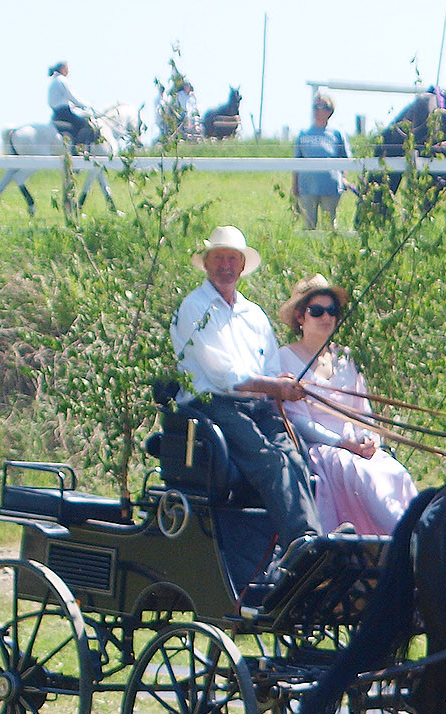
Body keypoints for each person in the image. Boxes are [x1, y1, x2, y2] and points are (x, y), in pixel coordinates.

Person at [170, 226, 324, 570]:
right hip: (210, 406)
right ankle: (301, 547)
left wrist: (280, 385)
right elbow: (222, 376)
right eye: (218, 259)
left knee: (296, 457)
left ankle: (312, 540)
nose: (225, 266)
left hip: (256, 404)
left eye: (231, 260)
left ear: (241, 267)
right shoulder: (194, 307)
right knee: (270, 462)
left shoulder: (253, 315)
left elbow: (268, 365)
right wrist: (274, 386)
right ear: (207, 265)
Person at [275, 275, 420, 536]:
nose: (326, 317)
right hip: (322, 448)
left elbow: (362, 409)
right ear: (300, 317)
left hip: (356, 445)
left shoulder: (344, 357)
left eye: (332, 311)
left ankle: (417, 533)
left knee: (394, 472)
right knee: (361, 474)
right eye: (317, 311)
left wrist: (370, 439)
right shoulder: (286, 358)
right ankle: (402, 538)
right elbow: (298, 420)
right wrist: (342, 443)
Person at [293, 95, 351, 231]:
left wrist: (344, 178)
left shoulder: (337, 134)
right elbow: (296, 161)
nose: (317, 111)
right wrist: (294, 185)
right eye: (315, 107)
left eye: (321, 107)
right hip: (307, 186)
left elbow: (345, 159)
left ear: (329, 111)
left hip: (330, 186)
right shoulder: (304, 134)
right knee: (308, 225)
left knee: (329, 225)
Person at [47, 61, 99, 146]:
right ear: (62, 69)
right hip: (64, 112)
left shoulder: (54, 81)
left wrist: (76, 105)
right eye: (67, 68)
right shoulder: (62, 80)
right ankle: (78, 148)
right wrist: (86, 105)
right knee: (85, 124)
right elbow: (72, 97)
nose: (68, 71)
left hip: (56, 113)